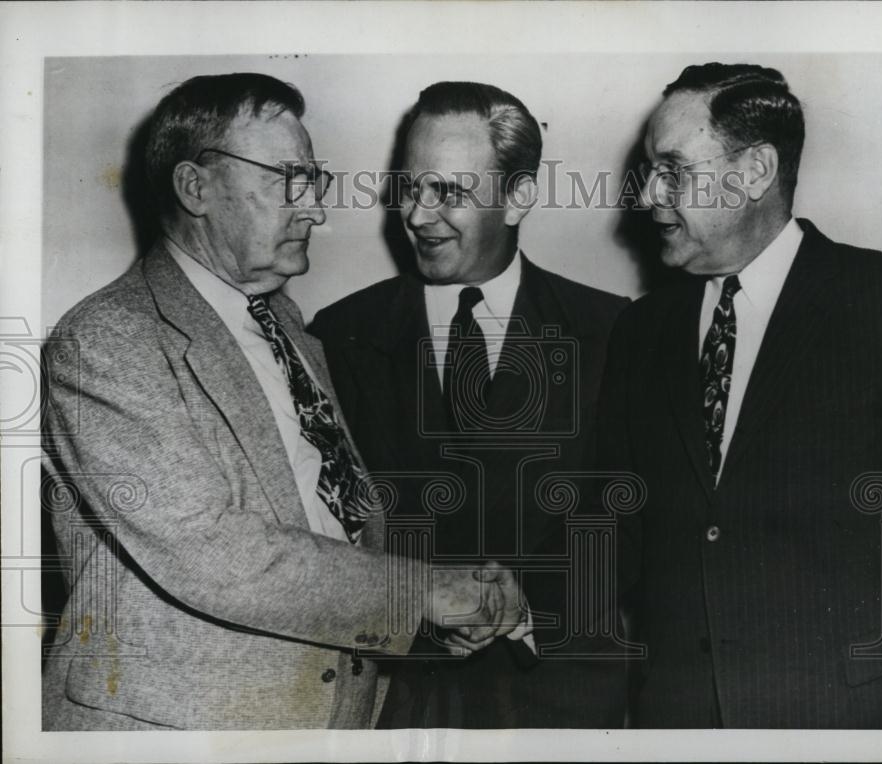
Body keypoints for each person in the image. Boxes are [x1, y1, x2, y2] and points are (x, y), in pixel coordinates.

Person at [41, 72, 526, 731]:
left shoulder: (289, 326)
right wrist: (422, 595)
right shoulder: (105, 340)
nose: (315, 210)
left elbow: (338, 525)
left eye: (314, 180)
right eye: (286, 179)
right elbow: (212, 552)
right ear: (196, 187)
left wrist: (428, 621)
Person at [600, 63, 882, 728]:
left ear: (754, 172)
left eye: (673, 169)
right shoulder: (641, 331)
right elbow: (616, 532)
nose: (649, 196)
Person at [311, 81, 630, 728]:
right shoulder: (339, 334)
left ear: (517, 197)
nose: (419, 216)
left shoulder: (614, 333)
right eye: (410, 187)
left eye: (448, 192)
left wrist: (528, 607)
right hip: (396, 705)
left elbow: (635, 522)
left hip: (559, 705)